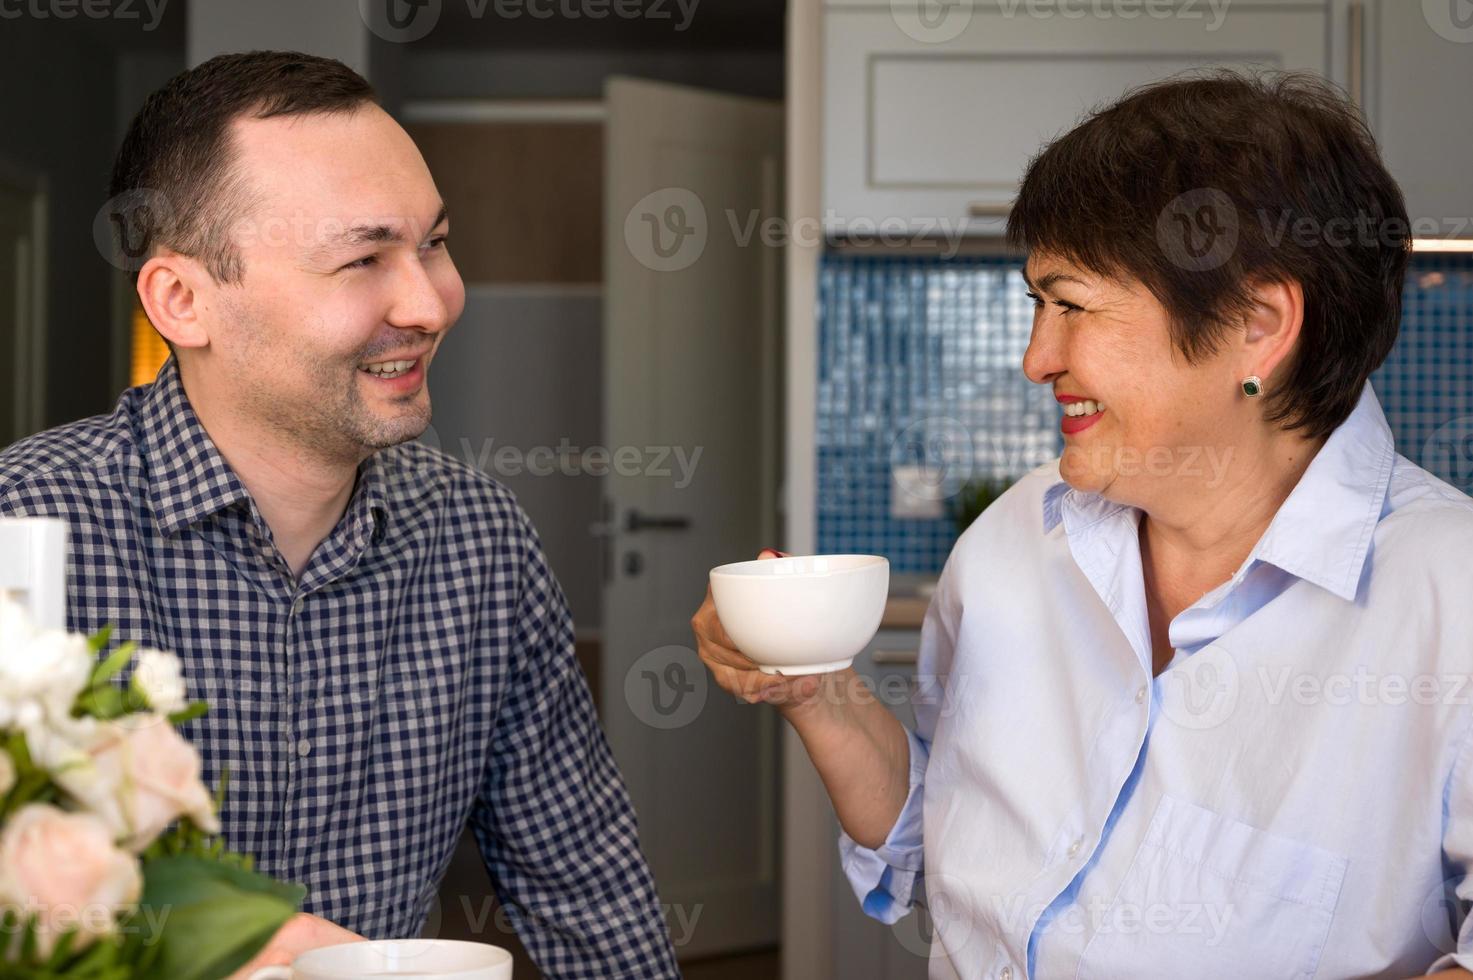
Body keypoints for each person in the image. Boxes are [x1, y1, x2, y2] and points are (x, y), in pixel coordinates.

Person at [693, 71, 1473, 978]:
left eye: (1071, 305)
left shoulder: (1448, 597)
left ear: (1257, 325)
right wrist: (812, 686)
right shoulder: (1012, 539)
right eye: (1037, 305)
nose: (1036, 359)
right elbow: (929, 834)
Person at [0, 50, 680, 978]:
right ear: (182, 299)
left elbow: (587, 891)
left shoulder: (481, 541)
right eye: (364, 258)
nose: (432, 301)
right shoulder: (23, 532)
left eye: (433, 243)